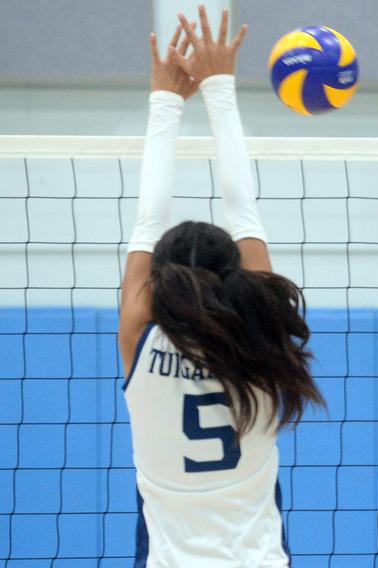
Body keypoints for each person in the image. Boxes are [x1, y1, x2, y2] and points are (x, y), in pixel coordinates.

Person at [118, 7, 322, 566]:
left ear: (156, 284)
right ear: (235, 274)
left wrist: (173, 98)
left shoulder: (142, 341)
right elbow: (244, 210)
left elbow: (149, 218)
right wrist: (215, 89)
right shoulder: (261, 343)